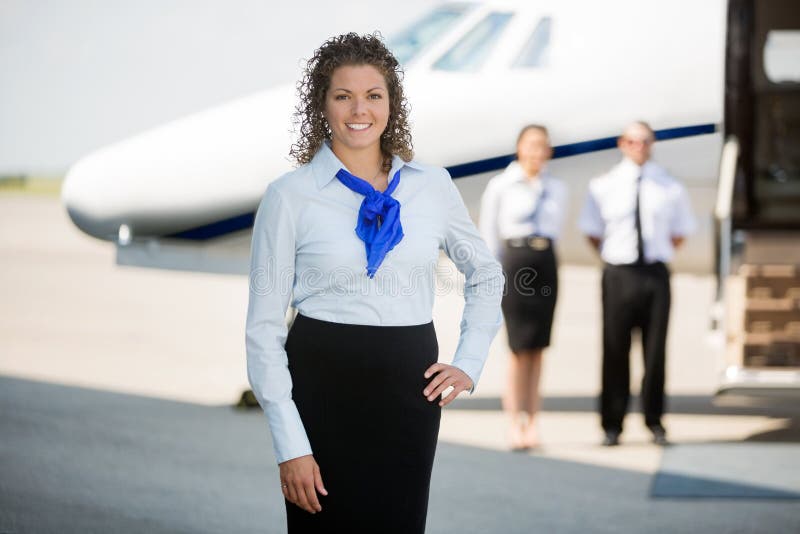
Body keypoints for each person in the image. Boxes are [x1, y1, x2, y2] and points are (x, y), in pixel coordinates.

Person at [245, 33, 503, 533]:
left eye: (373, 95)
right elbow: (262, 329)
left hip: (409, 392)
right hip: (321, 387)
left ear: (392, 104)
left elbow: (487, 274)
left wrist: (469, 361)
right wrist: (290, 444)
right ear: (322, 105)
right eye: (343, 96)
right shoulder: (289, 197)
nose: (358, 109)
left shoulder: (433, 187)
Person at [578, 121, 695, 447]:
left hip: (655, 274)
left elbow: (681, 230)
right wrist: (613, 255)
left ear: (652, 143)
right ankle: (612, 424)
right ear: (622, 144)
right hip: (619, 273)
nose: (638, 147)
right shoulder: (603, 185)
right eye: (632, 141)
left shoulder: (669, 186)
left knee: (655, 352)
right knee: (614, 350)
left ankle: (655, 420)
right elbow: (592, 229)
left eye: (644, 141)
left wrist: (658, 254)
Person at [479, 125, 567, 450]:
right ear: (519, 149)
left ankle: (533, 422)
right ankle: (515, 422)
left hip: (546, 262)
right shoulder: (501, 185)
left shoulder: (556, 188)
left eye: (541, 146)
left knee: (539, 349)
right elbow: (490, 234)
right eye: (530, 145)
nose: (536, 152)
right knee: (518, 349)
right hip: (515, 264)